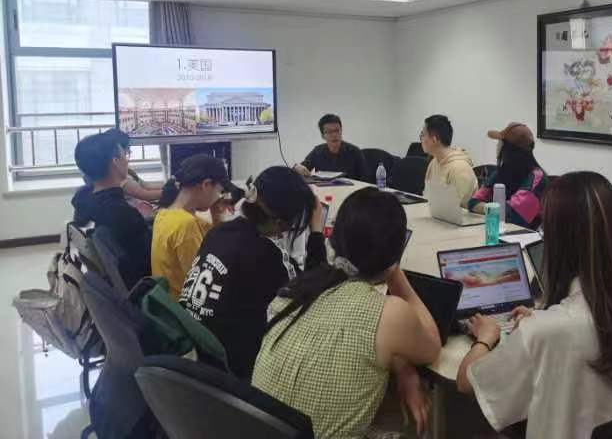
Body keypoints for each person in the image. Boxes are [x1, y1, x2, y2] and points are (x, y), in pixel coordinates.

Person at [457, 172, 612, 439]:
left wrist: (485, 338)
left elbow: (467, 383)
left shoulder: (543, 332)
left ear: (556, 242)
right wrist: (545, 318)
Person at [251, 187, 441, 439]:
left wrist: (404, 367)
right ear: (394, 255)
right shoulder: (387, 312)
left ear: (334, 240)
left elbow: (349, 340)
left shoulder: (295, 292)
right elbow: (432, 346)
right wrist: (396, 274)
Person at [181, 166, 324, 379]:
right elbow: (316, 296)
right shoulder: (266, 255)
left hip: (199, 361)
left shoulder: (217, 232)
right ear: (279, 222)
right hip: (238, 373)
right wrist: (317, 232)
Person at [71, 132, 151, 286]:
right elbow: (151, 257)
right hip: (145, 284)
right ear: (115, 162)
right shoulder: (123, 214)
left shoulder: (84, 200)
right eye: (125, 155)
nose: (127, 161)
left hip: (119, 282)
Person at [152, 154, 233, 299]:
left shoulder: (164, 215)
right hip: (183, 307)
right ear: (206, 185)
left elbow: (221, 240)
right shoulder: (185, 224)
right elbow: (206, 280)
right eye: (219, 191)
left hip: (167, 302)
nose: (219, 197)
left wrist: (217, 213)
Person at [468, 122, 549, 229]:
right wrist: (495, 209)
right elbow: (473, 202)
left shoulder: (537, 177)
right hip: (500, 230)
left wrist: (488, 208)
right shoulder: (500, 173)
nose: (497, 146)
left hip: (527, 236)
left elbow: (513, 215)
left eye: (500, 143)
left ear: (509, 149)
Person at [421, 114, 478, 207]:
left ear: (434, 139)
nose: (421, 139)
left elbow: (457, 207)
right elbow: (427, 196)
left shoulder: (460, 168)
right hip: (437, 213)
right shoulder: (434, 162)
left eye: (423, 135)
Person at [294, 114, 369, 181]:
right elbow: (303, 168)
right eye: (329, 132)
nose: (334, 135)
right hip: (325, 190)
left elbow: (365, 179)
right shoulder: (317, 151)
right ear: (323, 136)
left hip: (351, 191)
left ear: (341, 131)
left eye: (337, 131)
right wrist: (296, 167)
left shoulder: (354, 151)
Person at [103, 129, 164, 204]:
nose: (129, 151)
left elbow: (146, 185)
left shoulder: (127, 171)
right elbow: (145, 195)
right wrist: (169, 192)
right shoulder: (120, 179)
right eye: (127, 147)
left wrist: (167, 186)